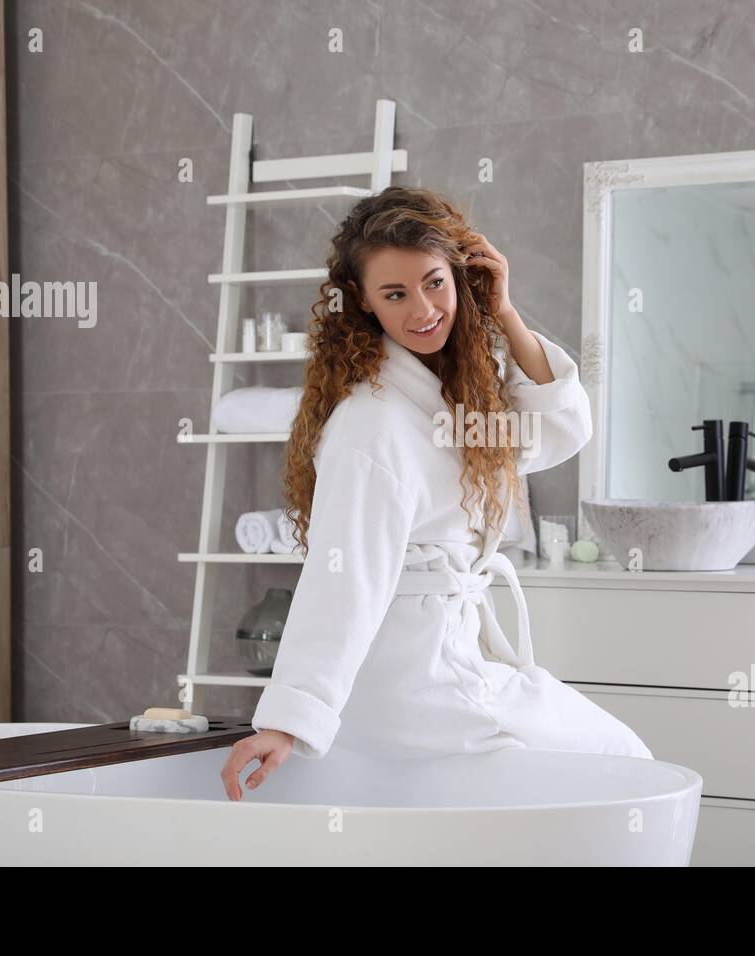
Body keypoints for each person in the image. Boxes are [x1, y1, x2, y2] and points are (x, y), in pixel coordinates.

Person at [220, 186, 651, 801]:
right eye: (395, 294)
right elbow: (345, 577)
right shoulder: (372, 424)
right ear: (365, 305)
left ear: (462, 279)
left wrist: (504, 311)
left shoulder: (450, 395)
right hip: (421, 677)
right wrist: (289, 722)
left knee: (622, 765)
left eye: (435, 283)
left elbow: (561, 427)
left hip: (442, 661)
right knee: (626, 766)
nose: (423, 309)